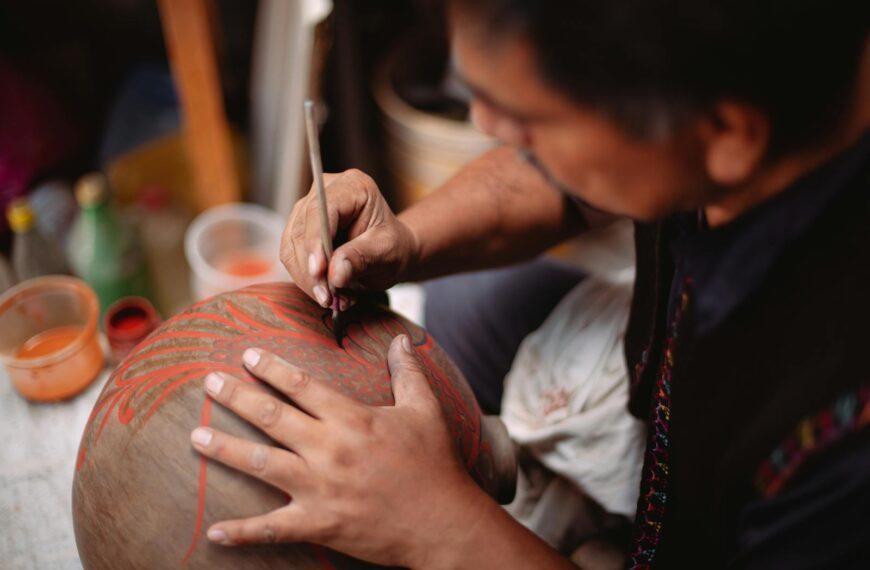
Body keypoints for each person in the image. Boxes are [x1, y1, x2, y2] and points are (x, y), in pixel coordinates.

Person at [187, 0, 869, 567]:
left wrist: (441, 524)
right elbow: (568, 188)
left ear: (726, 133)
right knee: (464, 305)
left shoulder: (837, 449)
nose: (487, 127)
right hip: (673, 372)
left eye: (534, 124)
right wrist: (409, 240)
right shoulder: (727, 104)